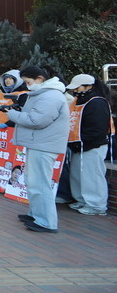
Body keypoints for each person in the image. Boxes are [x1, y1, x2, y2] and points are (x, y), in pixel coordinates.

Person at [3, 66, 69, 232]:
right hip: (40, 143)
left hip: (44, 145)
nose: (27, 85)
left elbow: (36, 120)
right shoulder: (46, 94)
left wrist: (12, 115)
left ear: (40, 79)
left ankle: (46, 221)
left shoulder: (51, 96)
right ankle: (36, 214)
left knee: (40, 184)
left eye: (28, 82)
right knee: (33, 181)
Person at [64, 73, 112, 216]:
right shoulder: (78, 101)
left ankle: (97, 205)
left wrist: (84, 142)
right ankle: (82, 199)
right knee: (77, 175)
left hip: (92, 145)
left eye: (78, 88)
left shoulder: (97, 102)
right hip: (78, 145)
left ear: (88, 86)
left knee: (92, 175)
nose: (75, 91)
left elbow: (98, 128)